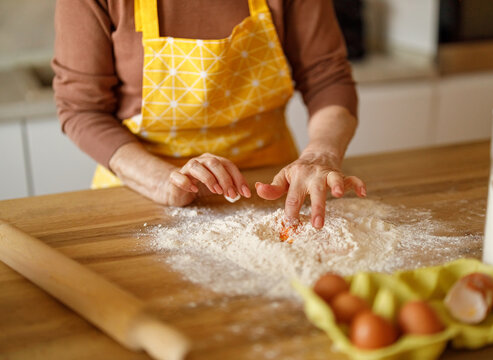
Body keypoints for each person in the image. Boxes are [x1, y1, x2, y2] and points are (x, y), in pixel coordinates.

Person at [52, 0, 366, 229]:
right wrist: (163, 181)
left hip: (270, 191)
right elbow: (82, 109)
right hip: (140, 192)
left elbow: (327, 78)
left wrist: (321, 154)